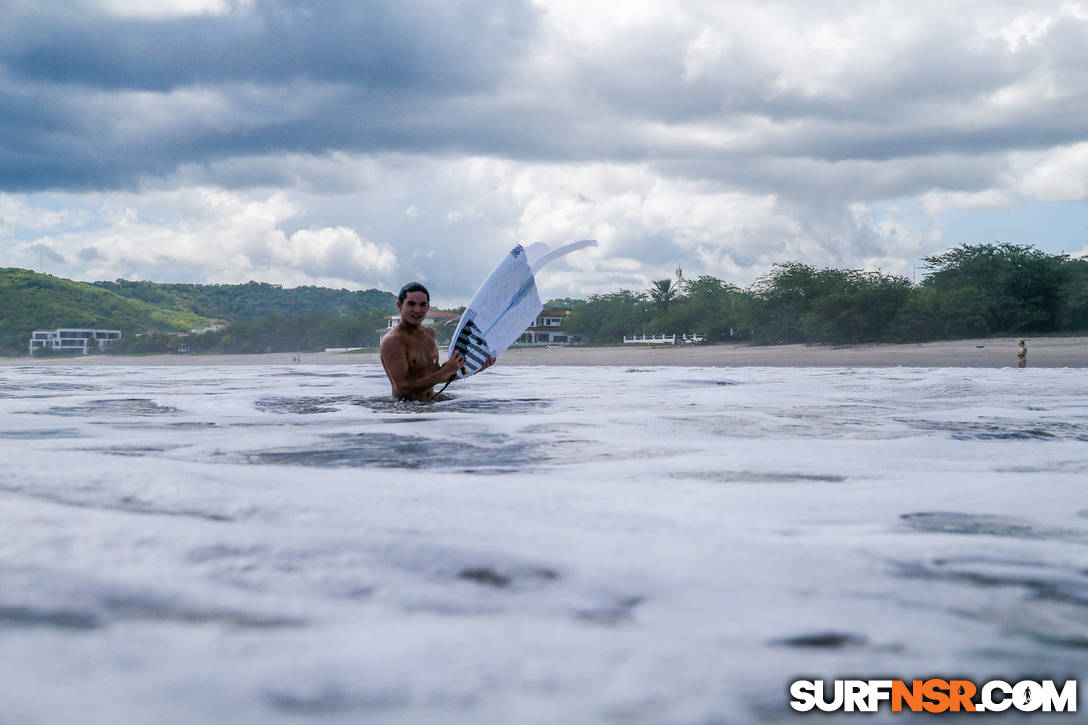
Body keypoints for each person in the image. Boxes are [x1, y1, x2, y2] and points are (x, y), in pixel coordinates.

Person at [380, 282, 493, 401]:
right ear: (400, 305)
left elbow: (439, 375)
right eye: (411, 304)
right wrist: (444, 372)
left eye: (423, 304)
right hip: (407, 412)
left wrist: (475, 368)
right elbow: (402, 389)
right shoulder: (393, 340)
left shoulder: (430, 334)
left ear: (428, 307)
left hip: (431, 408)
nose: (417, 310)